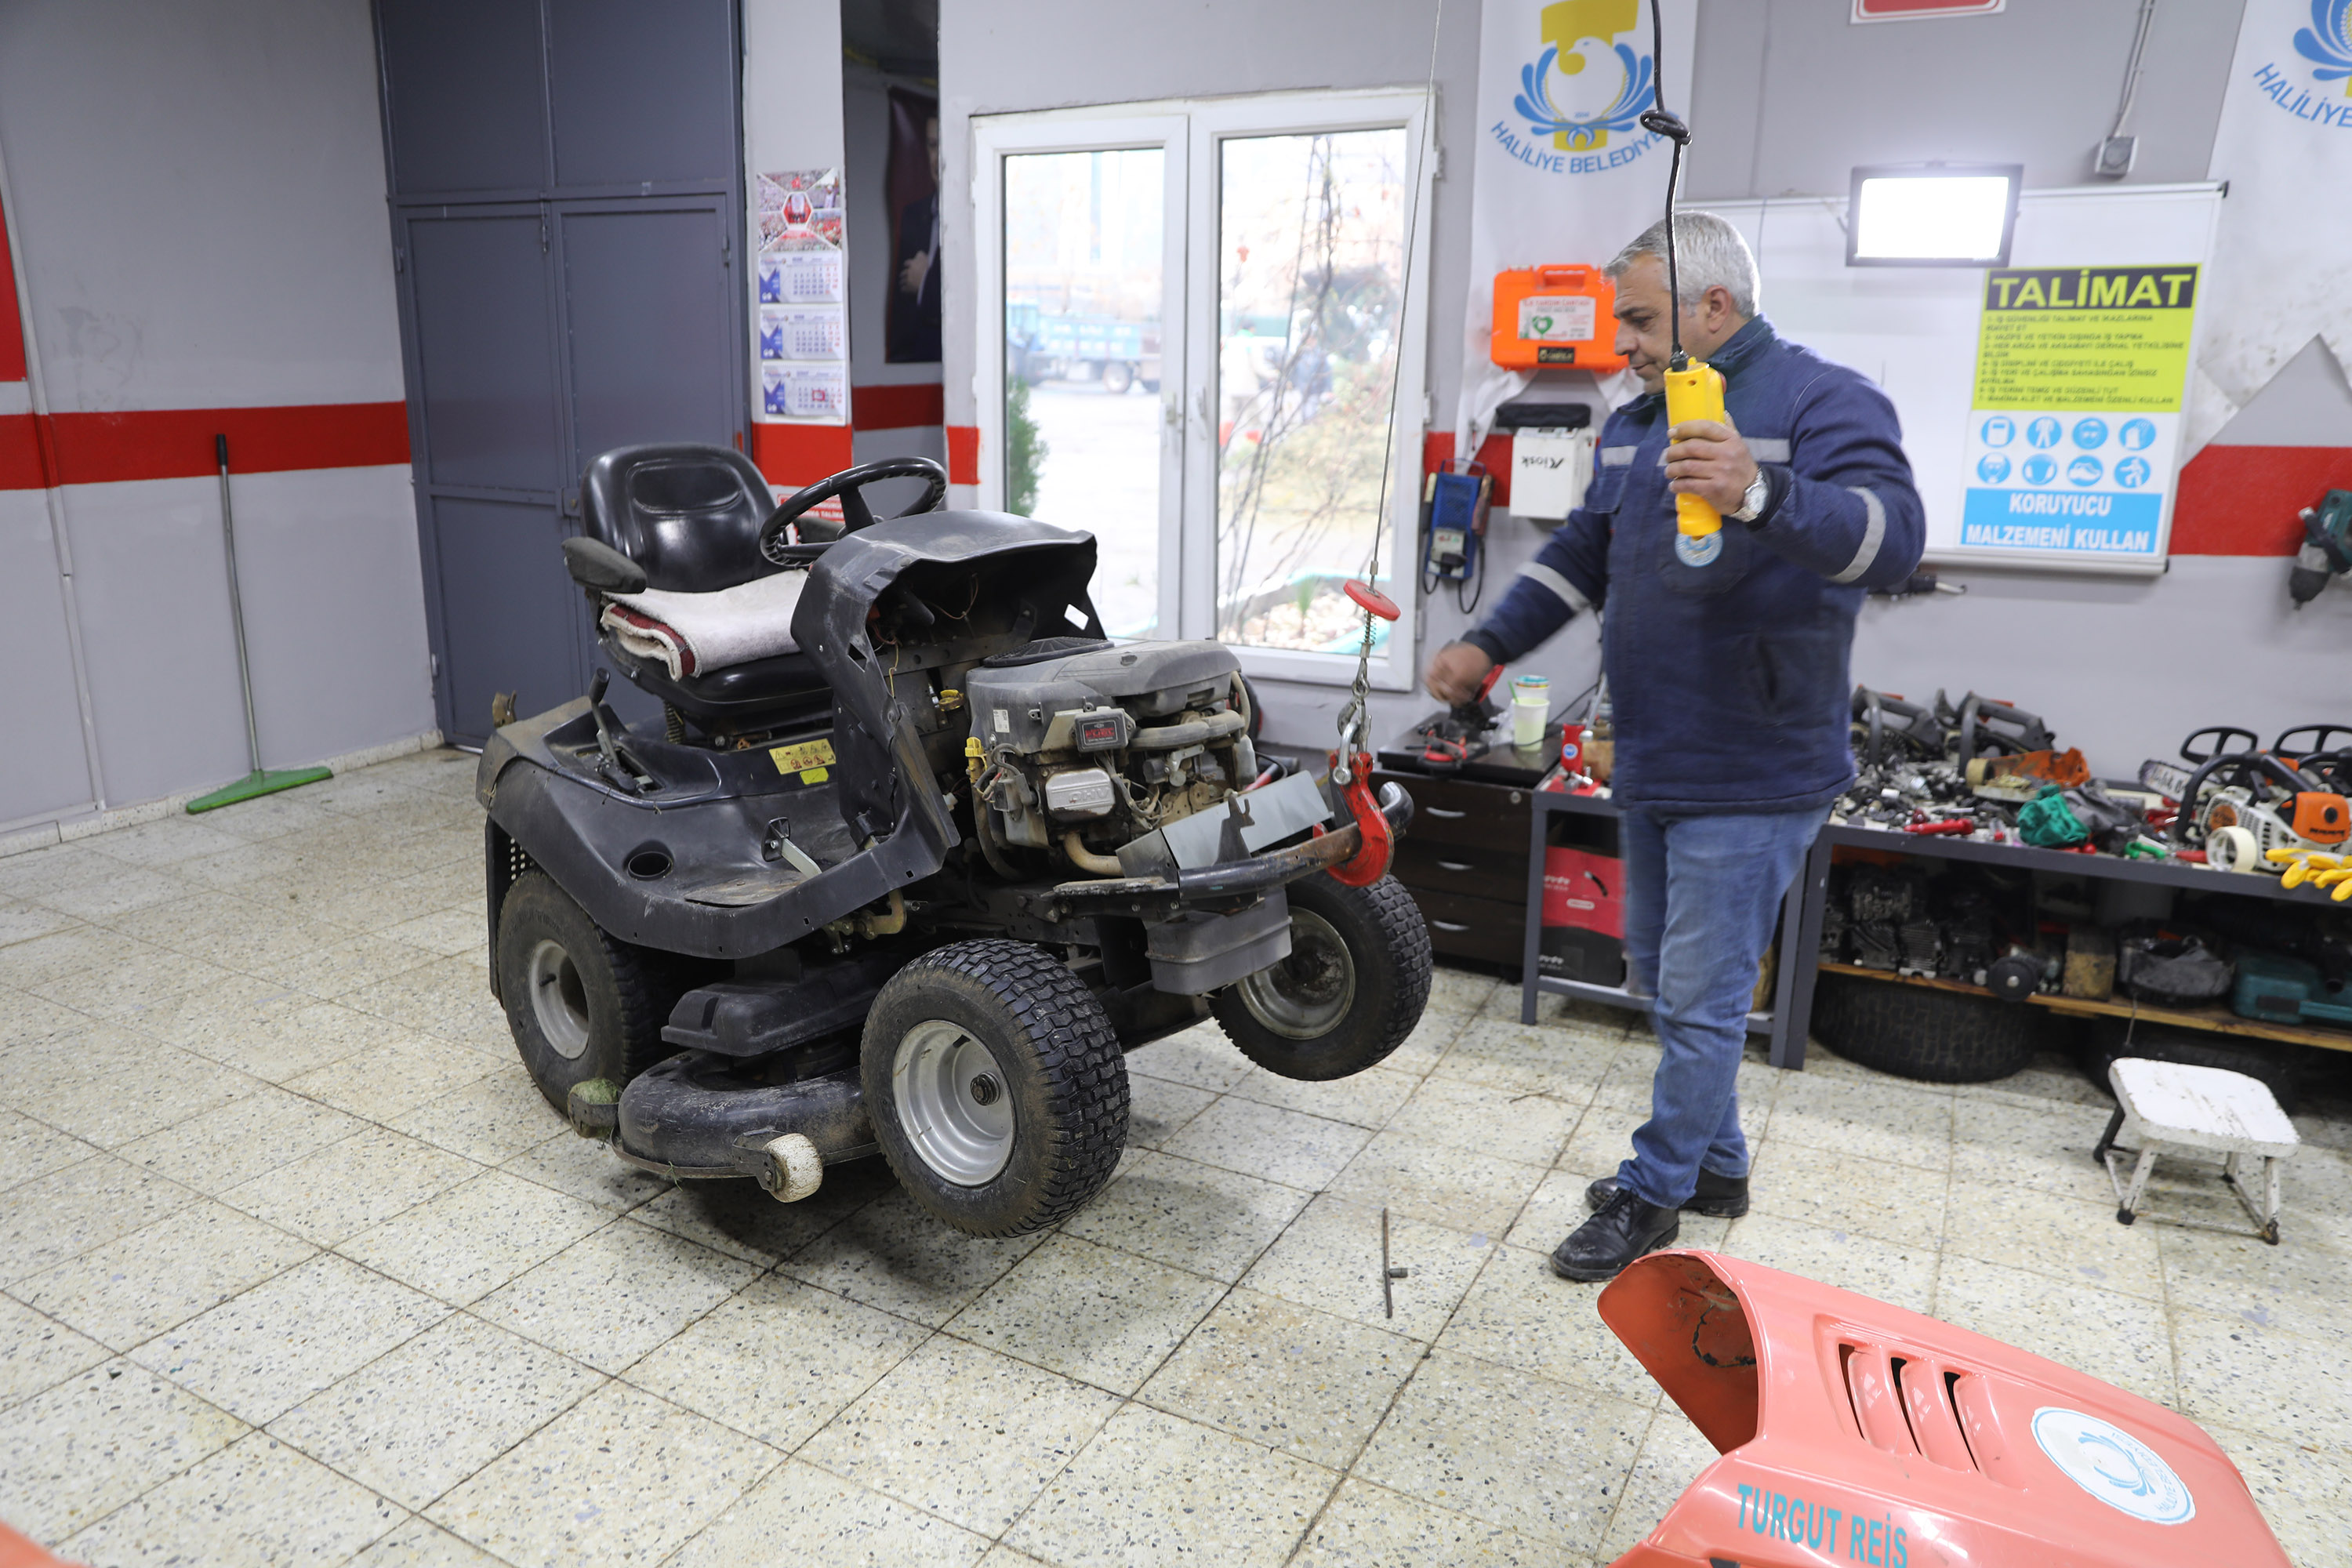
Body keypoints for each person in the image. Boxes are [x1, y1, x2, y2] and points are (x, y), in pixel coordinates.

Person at [1424, 212, 1924, 1281]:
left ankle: (1653, 1194)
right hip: (1655, 755)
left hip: (1756, 769)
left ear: (1715, 308)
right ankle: (1720, 1165)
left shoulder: (1821, 400)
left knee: (1698, 998)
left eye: (1643, 321)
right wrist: (1485, 644)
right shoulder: (1636, 422)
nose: (1625, 344)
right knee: (1663, 975)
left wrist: (1759, 491)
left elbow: (1893, 542)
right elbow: (1581, 554)